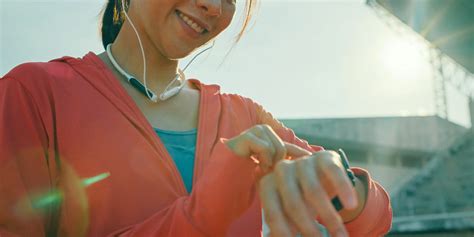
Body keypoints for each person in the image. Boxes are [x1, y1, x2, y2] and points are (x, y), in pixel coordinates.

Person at [0, 0, 392, 236]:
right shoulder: (34, 93)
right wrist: (200, 216)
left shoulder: (245, 115)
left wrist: (344, 184)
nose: (215, 7)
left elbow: (374, 219)